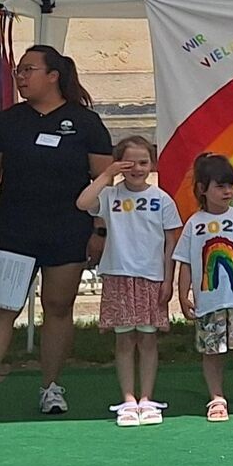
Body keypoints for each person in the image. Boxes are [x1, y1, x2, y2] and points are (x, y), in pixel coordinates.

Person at [0, 45, 115, 426]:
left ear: (53, 76)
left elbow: (105, 181)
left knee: (58, 307)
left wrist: (100, 230)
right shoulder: (7, 122)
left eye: (28, 70)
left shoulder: (85, 123)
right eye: (18, 71)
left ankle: (51, 386)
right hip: (14, 231)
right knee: (0, 310)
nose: (20, 77)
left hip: (67, 230)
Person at [75, 136, 182, 427]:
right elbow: (83, 203)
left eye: (143, 162)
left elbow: (171, 242)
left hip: (151, 277)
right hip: (118, 275)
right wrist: (107, 175)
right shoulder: (110, 195)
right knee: (124, 340)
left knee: (147, 339)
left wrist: (168, 278)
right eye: (129, 163)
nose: (137, 169)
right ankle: (128, 399)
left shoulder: (162, 199)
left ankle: (147, 399)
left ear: (152, 165)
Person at [173, 153, 233, 422]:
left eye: (231, 185)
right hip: (208, 303)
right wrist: (183, 295)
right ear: (202, 189)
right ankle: (216, 398)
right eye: (220, 186)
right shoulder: (194, 223)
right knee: (211, 351)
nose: (228, 191)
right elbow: (185, 262)